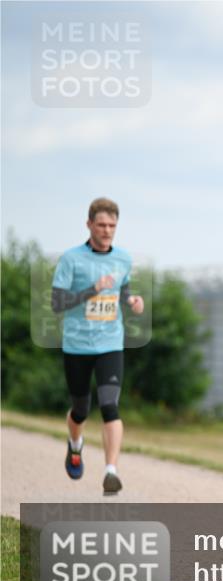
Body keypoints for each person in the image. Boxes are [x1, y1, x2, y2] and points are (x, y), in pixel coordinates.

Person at [51, 197, 143, 495]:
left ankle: (111, 472)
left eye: (112, 225)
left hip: (110, 344)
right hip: (77, 346)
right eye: (101, 225)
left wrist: (131, 300)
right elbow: (57, 303)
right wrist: (93, 289)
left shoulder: (123, 259)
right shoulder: (71, 259)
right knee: (80, 410)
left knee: (110, 406)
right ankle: (75, 444)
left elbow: (123, 287)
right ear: (89, 224)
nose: (107, 230)